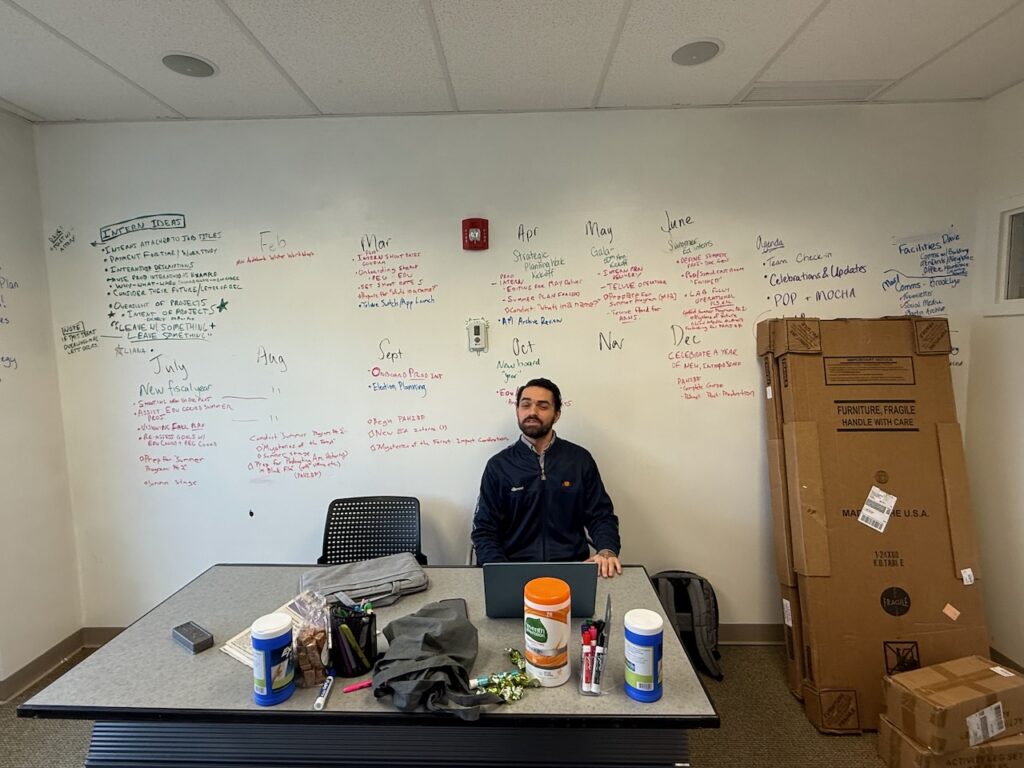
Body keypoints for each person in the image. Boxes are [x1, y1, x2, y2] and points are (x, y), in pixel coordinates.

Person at [471, 377, 622, 578]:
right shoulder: (499, 466)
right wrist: (500, 570)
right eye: (526, 405)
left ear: (557, 414)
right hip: (514, 570)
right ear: (517, 410)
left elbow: (601, 516)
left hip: (572, 568)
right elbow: (484, 530)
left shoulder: (579, 460)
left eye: (542, 406)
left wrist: (606, 550)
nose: (532, 412)